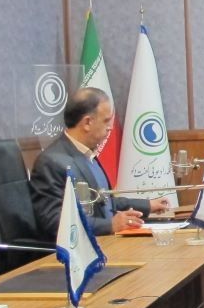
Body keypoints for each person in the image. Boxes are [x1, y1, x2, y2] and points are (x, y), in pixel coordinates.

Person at [31, 87, 168, 240]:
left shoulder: (87, 154)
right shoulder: (51, 162)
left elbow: (105, 201)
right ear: (87, 122)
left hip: (108, 241)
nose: (110, 127)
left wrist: (147, 205)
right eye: (106, 121)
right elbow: (55, 222)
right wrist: (110, 225)